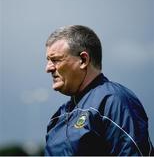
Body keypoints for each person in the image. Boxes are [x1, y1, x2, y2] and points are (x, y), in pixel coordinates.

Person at [44, 25, 153, 156]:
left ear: (83, 60)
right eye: (48, 60)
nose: (48, 68)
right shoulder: (59, 115)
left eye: (55, 60)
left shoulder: (114, 101)